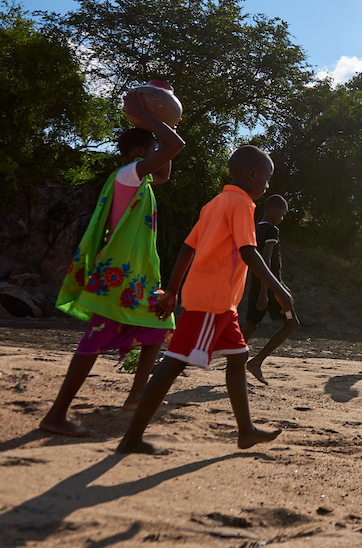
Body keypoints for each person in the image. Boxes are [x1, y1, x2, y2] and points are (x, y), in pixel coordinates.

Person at [116, 146, 291, 454]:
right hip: (212, 300)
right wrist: (278, 288)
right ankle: (131, 438)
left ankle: (246, 431)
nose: (267, 185)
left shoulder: (215, 203)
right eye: (266, 178)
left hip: (221, 303)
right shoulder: (241, 204)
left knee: (238, 357)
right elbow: (249, 252)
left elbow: (187, 247)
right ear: (251, 174)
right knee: (173, 364)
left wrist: (172, 291)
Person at [40, 92, 184, 437]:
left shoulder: (141, 178)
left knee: (158, 326)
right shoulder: (128, 176)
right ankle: (56, 414)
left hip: (134, 280)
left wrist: (164, 124)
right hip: (116, 278)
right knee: (91, 345)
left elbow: (165, 167)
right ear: (138, 154)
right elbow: (174, 145)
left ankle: (136, 396)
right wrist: (151, 120)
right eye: (152, 150)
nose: (157, 157)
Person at [240, 194, 297, 385]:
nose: (282, 218)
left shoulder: (254, 228)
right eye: (283, 213)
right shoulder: (272, 230)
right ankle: (256, 362)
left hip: (257, 285)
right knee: (291, 323)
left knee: (249, 325)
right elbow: (265, 260)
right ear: (275, 209)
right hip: (271, 289)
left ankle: (235, 364)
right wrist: (269, 290)